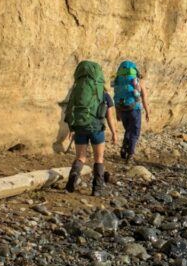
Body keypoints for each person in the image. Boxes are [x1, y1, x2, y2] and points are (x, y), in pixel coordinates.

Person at [63, 60, 117, 196]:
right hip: (97, 129)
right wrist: (114, 133)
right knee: (99, 159)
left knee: (80, 157)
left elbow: (71, 110)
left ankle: (74, 174)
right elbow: (110, 117)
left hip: (80, 127)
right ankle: (97, 189)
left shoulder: (77, 91)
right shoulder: (104, 95)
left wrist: (71, 127)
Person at [112, 60, 150, 162]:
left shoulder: (118, 81)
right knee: (134, 132)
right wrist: (147, 112)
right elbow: (144, 97)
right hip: (134, 109)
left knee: (128, 129)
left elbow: (115, 96)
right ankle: (130, 154)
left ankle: (124, 148)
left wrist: (117, 113)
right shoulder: (139, 82)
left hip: (121, 108)